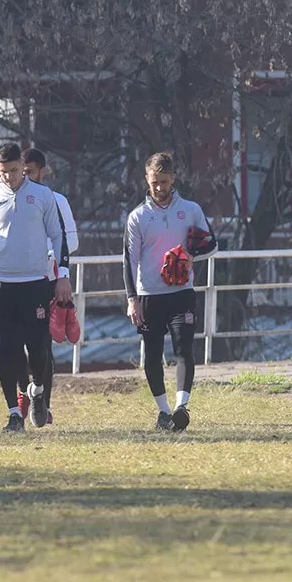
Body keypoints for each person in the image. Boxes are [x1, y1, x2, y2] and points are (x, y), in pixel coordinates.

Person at [0, 141, 73, 432]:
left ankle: (38, 391)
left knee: (38, 350)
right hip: (2, 284)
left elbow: (58, 235)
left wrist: (62, 274)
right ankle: (14, 414)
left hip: (36, 284)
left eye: (14, 170)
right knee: (6, 350)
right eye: (4, 172)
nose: (10, 177)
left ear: (22, 167)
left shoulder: (42, 195)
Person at [123, 152, 217, 432]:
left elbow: (212, 245)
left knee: (183, 348)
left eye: (165, 181)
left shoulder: (190, 210)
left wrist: (190, 256)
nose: (160, 188)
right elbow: (129, 261)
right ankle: (163, 412)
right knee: (152, 355)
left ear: (173, 179)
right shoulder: (137, 216)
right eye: (155, 183)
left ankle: (181, 407)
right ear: (146, 180)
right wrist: (132, 299)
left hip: (181, 292)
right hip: (149, 295)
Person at [16, 147, 80, 425]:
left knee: (42, 345)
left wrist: (49, 256)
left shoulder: (56, 200)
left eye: (30, 172)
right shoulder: (11, 199)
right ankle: (21, 396)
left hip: (48, 280)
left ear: (43, 171)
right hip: (16, 280)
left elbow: (71, 241)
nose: (25, 177)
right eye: (22, 171)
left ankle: (43, 401)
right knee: (14, 343)